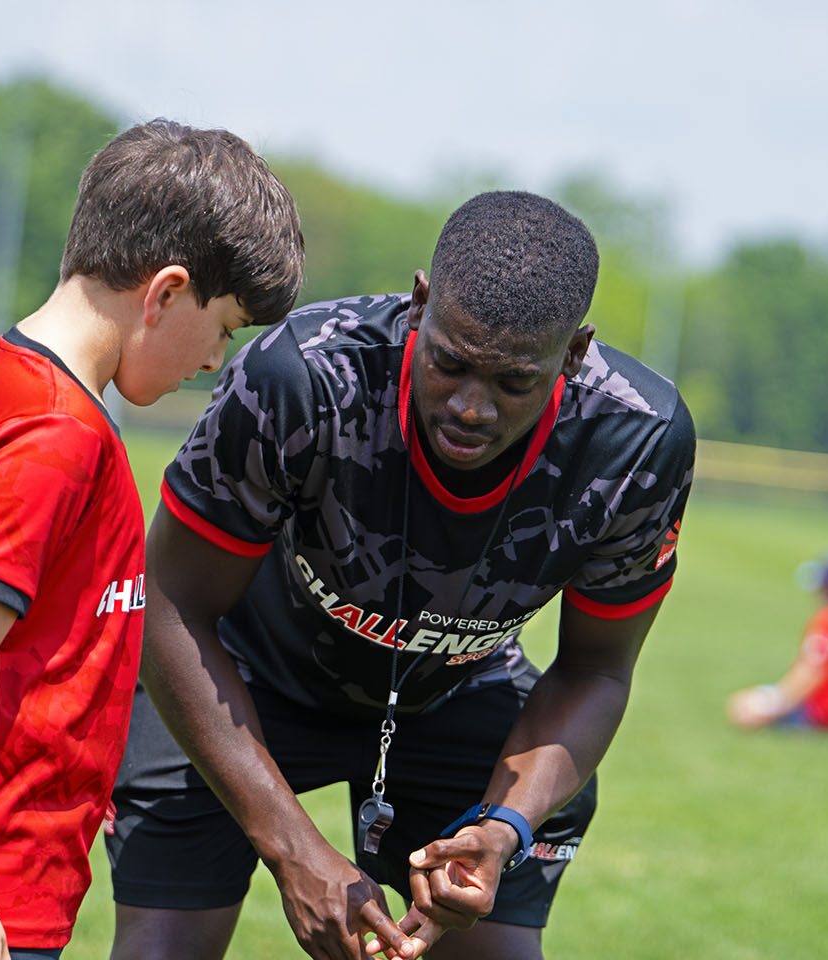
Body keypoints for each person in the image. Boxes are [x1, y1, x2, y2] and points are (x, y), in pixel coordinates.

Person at [108, 191, 698, 960]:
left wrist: (504, 825)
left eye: (515, 382)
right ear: (420, 304)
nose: (472, 407)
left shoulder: (634, 441)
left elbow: (597, 670)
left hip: (460, 689)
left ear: (576, 353)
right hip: (240, 674)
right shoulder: (305, 376)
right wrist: (294, 850)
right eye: (449, 362)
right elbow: (170, 603)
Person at [0, 119, 305, 960]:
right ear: (164, 293)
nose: (217, 361)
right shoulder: (60, 436)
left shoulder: (3, 383)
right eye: (225, 326)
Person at [726, 555, 828, 730]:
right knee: (749, 701)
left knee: (740, 706)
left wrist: (772, 708)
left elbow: (811, 672)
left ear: (826, 586)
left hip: (819, 711)